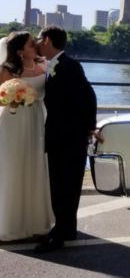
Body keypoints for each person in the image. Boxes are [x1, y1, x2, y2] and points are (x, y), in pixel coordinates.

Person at [34, 25, 97, 253]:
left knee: (65, 187)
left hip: (70, 139)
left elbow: (89, 96)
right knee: (60, 185)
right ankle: (65, 229)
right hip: (59, 137)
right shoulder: (52, 66)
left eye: (39, 39)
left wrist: (89, 128)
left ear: (48, 40)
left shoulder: (70, 66)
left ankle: (59, 236)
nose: (37, 43)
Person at [0, 32, 55, 242]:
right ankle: (10, 223)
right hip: (13, 121)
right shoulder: (8, 70)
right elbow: (1, 99)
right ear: (20, 51)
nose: (36, 45)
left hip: (37, 119)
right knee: (13, 166)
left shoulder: (45, 65)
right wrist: (12, 100)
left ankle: (35, 221)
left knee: (35, 165)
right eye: (32, 44)